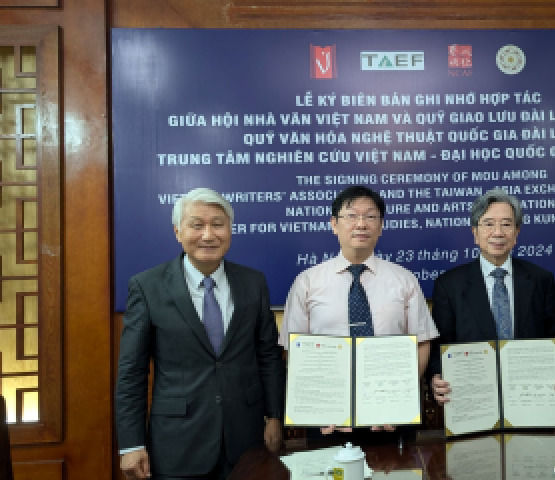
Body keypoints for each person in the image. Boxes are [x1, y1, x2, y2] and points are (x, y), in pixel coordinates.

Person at [115, 187, 285, 480]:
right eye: (197, 225)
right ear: (177, 232)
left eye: (218, 224)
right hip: (178, 444)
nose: (208, 235)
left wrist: (274, 416)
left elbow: (268, 356)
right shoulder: (147, 287)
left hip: (246, 440)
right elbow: (132, 371)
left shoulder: (253, 283)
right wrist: (132, 444)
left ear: (230, 230)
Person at [280, 185, 439, 435]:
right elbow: (293, 349)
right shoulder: (307, 282)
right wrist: (317, 405)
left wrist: (402, 399)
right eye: (352, 216)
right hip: (328, 418)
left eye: (370, 216)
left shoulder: (404, 280)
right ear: (334, 224)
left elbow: (422, 342)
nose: (361, 224)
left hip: (391, 417)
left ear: (381, 226)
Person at [429, 188, 555, 405]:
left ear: (516, 232)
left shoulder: (540, 280)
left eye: (506, 224)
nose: (498, 232)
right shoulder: (449, 285)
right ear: (475, 233)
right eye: (488, 224)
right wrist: (436, 377)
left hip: (531, 398)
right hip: (472, 399)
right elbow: (440, 347)